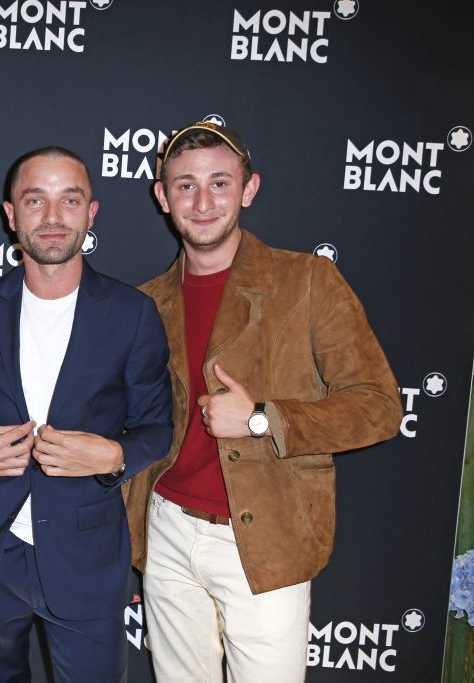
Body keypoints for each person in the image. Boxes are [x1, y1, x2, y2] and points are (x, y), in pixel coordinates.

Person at [128, 121, 403, 681]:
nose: (202, 202)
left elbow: (379, 406)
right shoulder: (145, 303)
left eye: (220, 183)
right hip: (167, 531)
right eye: (185, 185)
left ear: (249, 189)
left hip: (266, 536)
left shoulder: (308, 282)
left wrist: (261, 418)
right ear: (163, 196)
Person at [0, 146, 173, 682]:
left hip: (86, 556)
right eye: (35, 200)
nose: (52, 217)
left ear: (91, 213)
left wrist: (113, 455)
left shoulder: (132, 313)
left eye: (69, 200)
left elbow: (158, 427)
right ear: (11, 215)